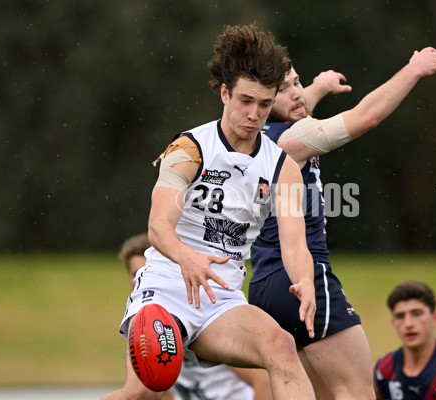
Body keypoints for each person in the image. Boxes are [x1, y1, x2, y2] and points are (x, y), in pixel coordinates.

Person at [104, 24, 316, 400]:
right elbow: (158, 226)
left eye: (265, 105)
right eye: (245, 101)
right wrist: (189, 259)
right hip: (167, 286)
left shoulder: (282, 166)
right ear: (224, 93)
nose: (254, 114)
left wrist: (306, 280)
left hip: (221, 297)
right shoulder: (188, 148)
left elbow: (295, 245)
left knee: (281, 348)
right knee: (144, 391)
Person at [248, 48, 436, 399]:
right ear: (263, 99)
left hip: (264, 288)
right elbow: (366, 116)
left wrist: (318, 87)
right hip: (303, 278)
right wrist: (413, 69)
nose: (296, 93)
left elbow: (290, 106)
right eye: (284, 88)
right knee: (357, 393)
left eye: (296, 81)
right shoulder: (290, 140)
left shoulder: (249, 137)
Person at [110, 233, 271, 400]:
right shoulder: (143, 328)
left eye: (145, 271)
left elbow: (263, 382)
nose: (140, 279)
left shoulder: (201, 318)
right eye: (134, 273)